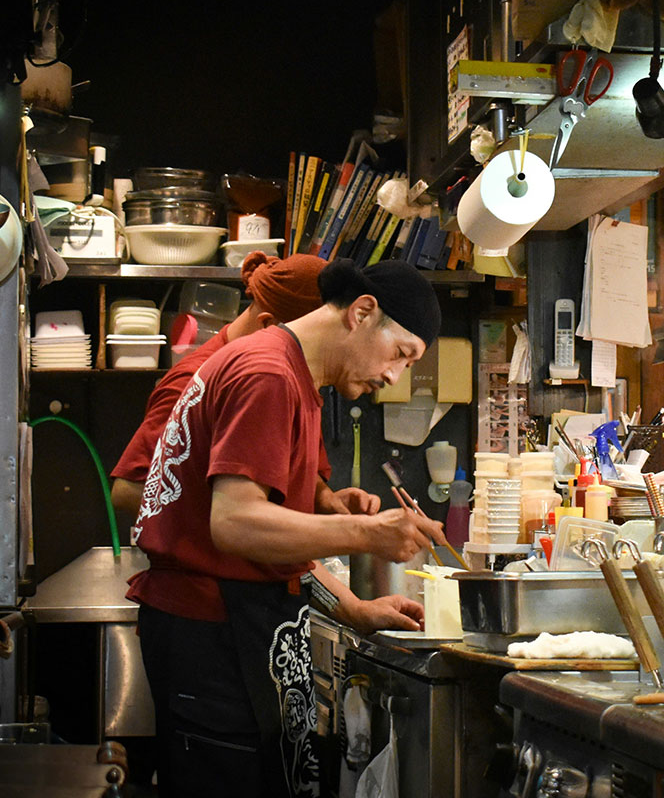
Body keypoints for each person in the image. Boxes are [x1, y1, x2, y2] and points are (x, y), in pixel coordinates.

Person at [127, 258, 445, 798]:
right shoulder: (268, 374)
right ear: (362, 313)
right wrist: (368, 534)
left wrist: (354, 609)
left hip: (228, 628)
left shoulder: (290, 373)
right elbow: (236, 525)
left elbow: (267, 536)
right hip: (215, 637)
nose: (395, 375)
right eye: (401, 354)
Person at [111, 251, 341, 515]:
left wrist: (326, 500)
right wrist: (233, 519)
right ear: (270, 327)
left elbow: (294, 467)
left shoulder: (293, 379)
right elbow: (129, 490)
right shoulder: (194, 382)